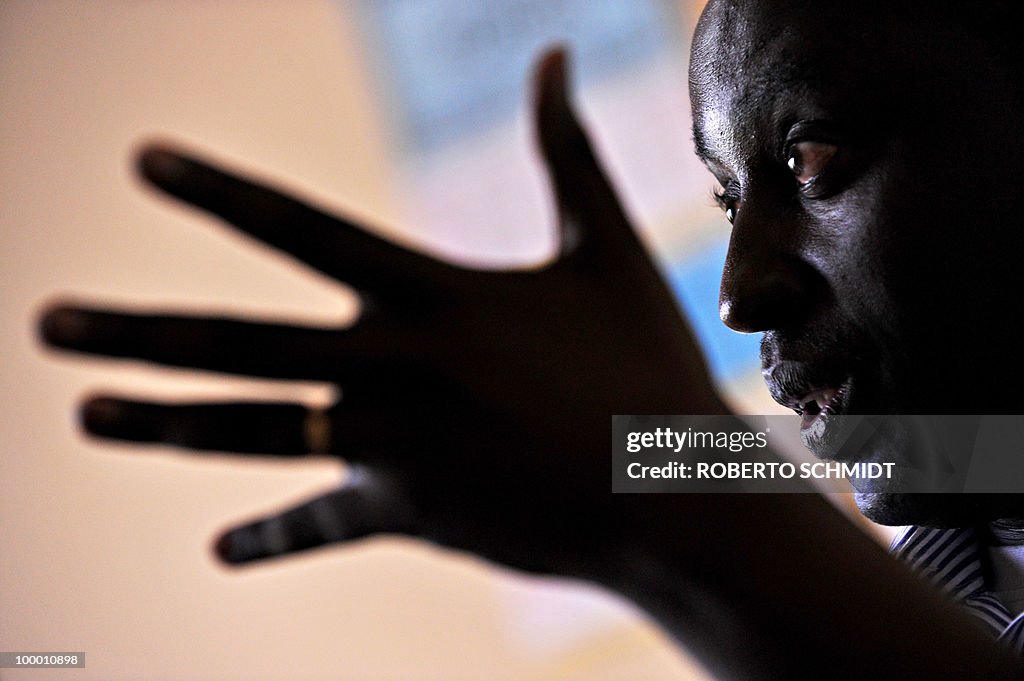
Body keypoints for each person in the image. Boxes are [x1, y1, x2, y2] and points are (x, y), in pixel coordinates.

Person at [37, 0, 1024, 678]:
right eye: (727, 201)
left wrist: (685, 535)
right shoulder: (970, 498)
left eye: (810, 159)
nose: (739, 294)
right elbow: (747, 457)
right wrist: (638, 456)